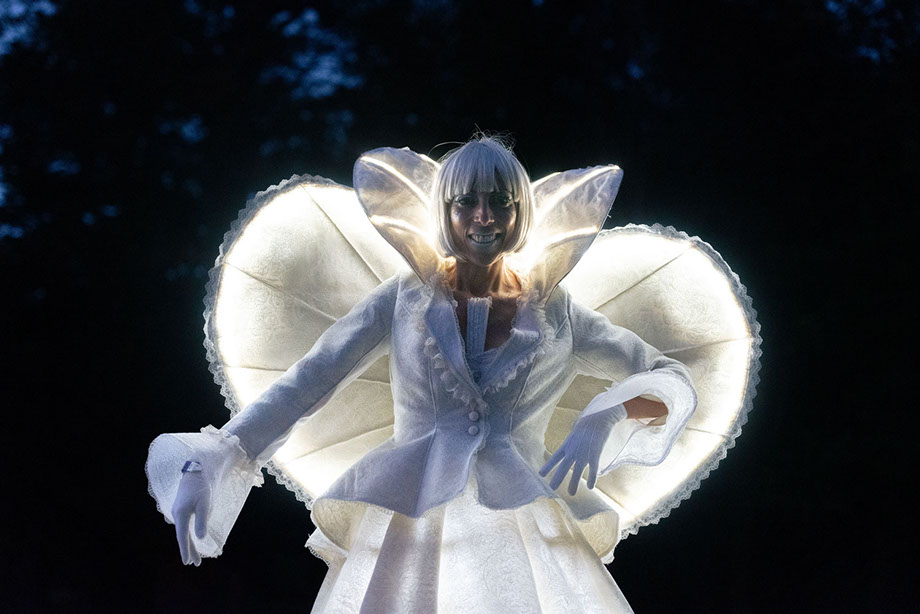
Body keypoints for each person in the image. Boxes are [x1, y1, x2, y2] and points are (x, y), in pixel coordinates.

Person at [146, 135, 704, 613]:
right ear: (445, 212)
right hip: (411, 526)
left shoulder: (555, 310)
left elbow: (673, 379)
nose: (484, 216)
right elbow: (310, 380)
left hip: (524, 525)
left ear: (521, 213)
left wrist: (610, 412)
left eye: (501, 201)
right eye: (467, 201)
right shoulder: (405, 298)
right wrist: (219, 457)